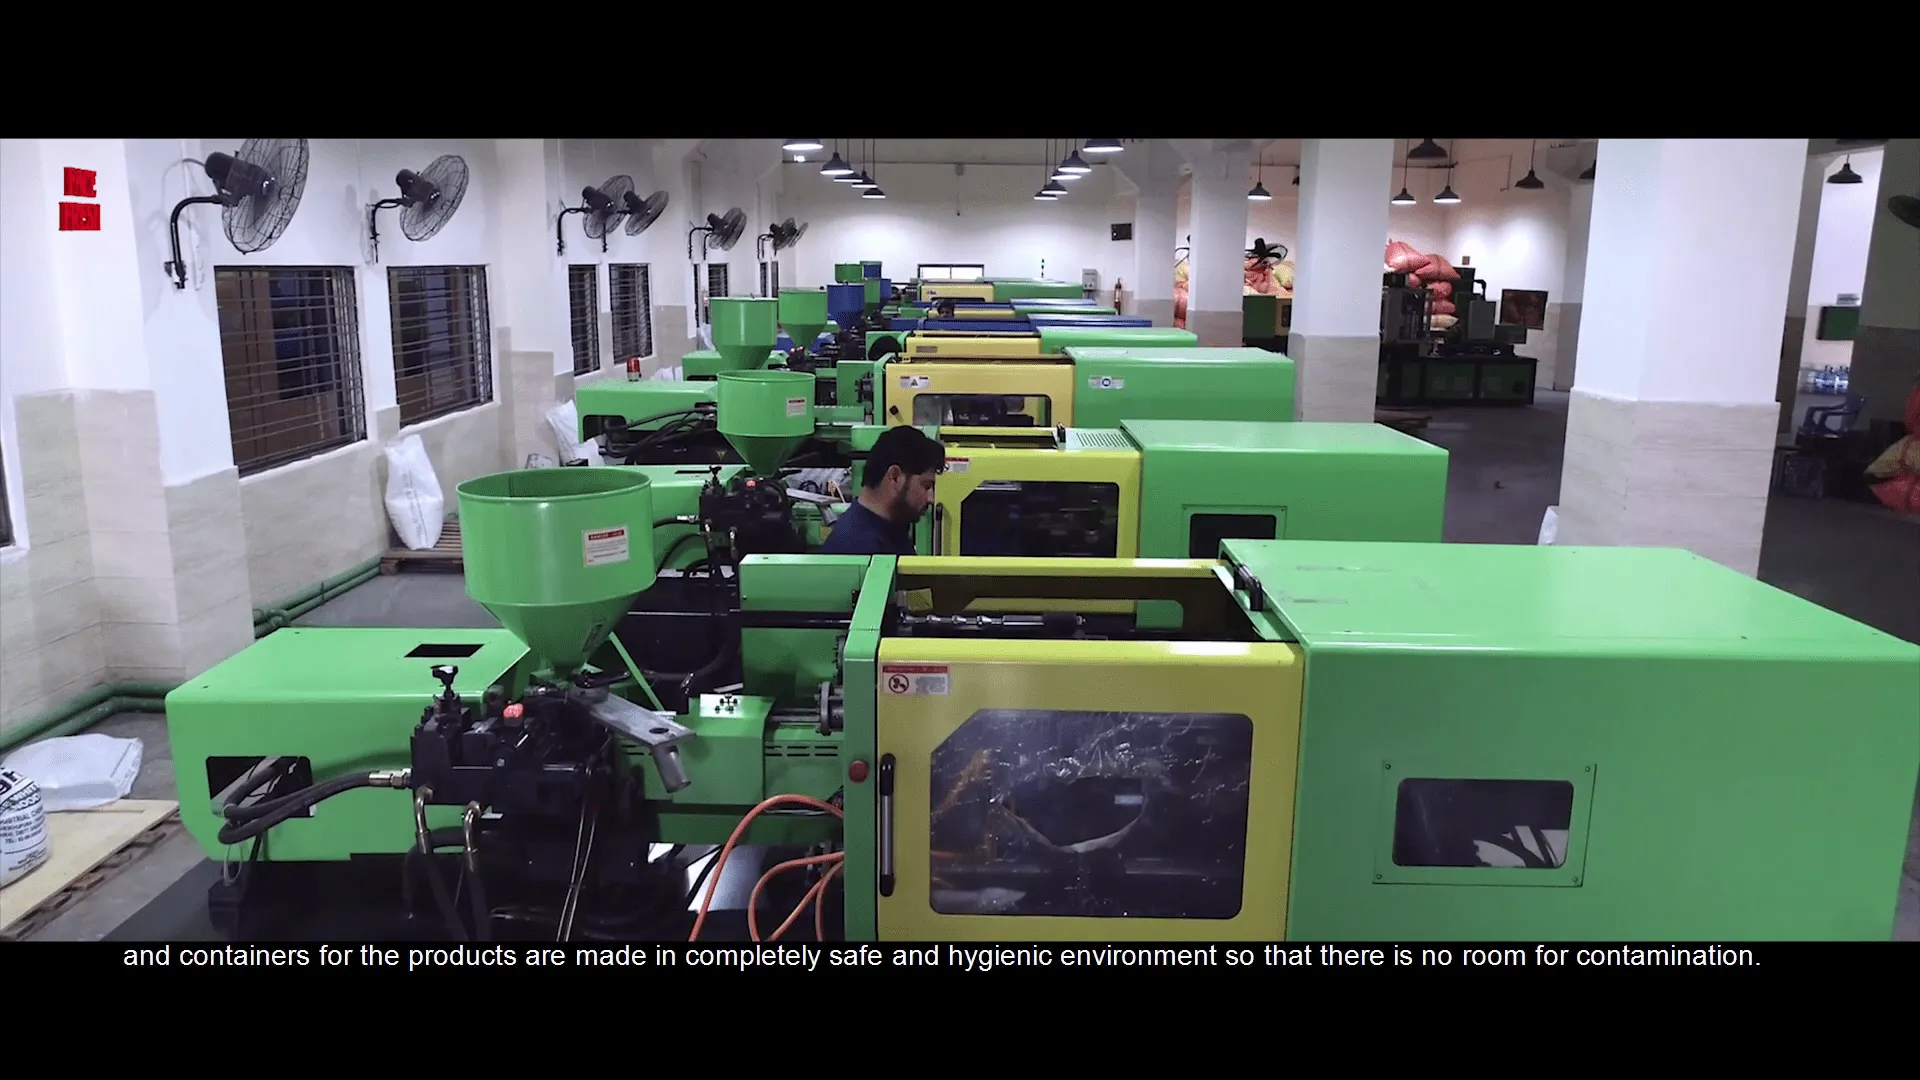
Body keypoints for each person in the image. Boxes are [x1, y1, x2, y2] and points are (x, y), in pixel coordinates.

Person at [817, 426, 944, 555]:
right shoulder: (856, 549)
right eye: (926, 486)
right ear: (895, 476)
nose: (931, 499)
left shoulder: (891, 529)